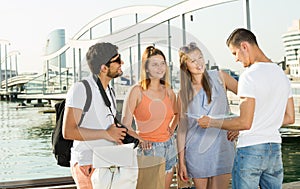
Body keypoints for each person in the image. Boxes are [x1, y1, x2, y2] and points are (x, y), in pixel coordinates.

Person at [198, 28, 295, 189]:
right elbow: (290, 117)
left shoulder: (249, 76)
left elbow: (244, 123)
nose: (236, 59)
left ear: (244, 46)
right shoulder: (282, 75)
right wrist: (257, 123)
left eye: (234, 53)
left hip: (251, 150)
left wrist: (211, 122)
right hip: (274, 151)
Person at [62, 42, 131, 189]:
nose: (122, 63)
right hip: (88, 163)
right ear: (104, 68)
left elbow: (108, 129)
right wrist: (107, 134)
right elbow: (68, 131)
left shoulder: (109, 91)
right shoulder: (81, 89)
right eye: (117, 60)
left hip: (107, 162)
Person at [177, 42, 238, 189]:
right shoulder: (183, 93)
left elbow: (248, 99)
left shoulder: (220, 77)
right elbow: (182, 130)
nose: (199, 63)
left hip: (223, 148)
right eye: (193, 61)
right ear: (186, 66)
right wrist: (181, 163)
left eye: (200, 57)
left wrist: (239, 124)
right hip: (196, 152)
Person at [121, 45, 178, 189]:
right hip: (149, 149)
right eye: (154, 64)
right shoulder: (136, 91)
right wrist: (140, 138)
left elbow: (177, 114)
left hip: (169, 147)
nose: (160, 68)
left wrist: (171, 128)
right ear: (146, 68)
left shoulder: (169, 91)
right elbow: (125, 124)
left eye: (162, 63)